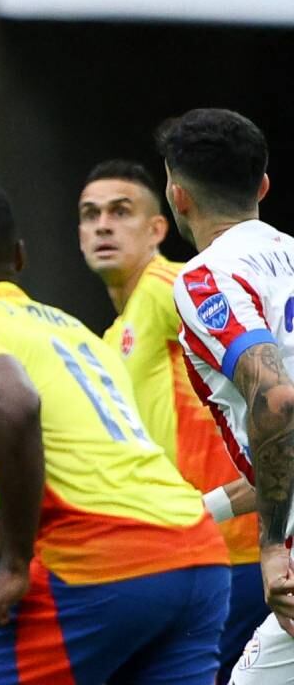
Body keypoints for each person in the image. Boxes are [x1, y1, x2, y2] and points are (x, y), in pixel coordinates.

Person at [0, 180, 228, 683]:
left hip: (103, 566)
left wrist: (13, 567)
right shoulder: (79, 334)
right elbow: (114, 493)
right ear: (19, 257)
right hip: (199, 558)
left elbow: (14, 403)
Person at [79, 158, 267, 681]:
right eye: (90, 215)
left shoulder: (172, 286)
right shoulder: (110, 338)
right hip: (182, 557)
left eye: (120, 212)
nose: (103, 226)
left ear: (158, 227)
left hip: (239, 551)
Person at [159, 109, 294, 681]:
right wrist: (200, 513)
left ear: (178, 195)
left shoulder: (206, 278)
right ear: (262, 186)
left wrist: (271, 546)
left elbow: (277, 403)